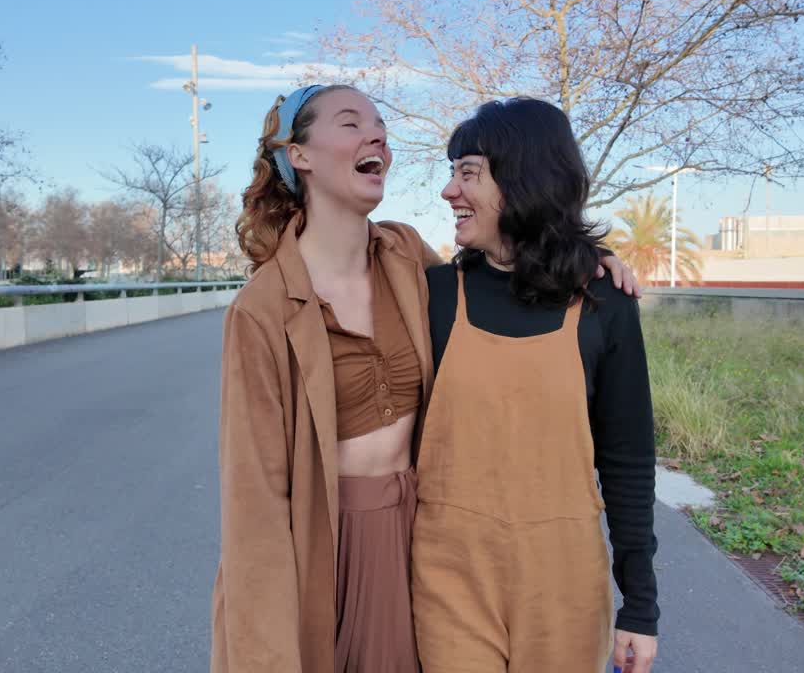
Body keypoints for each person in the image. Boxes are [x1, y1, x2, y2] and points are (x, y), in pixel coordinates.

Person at [210, 85, 639, 673]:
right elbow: (253, 497)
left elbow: (507, 284)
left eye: (381, 124)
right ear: (299, 155)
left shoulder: (408, 257)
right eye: (350, 121)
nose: (377, 134)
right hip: (331, 541)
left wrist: (586, 261)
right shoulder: (261, 310)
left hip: (426, 538)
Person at [414, 97, 660, 673]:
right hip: (448, 576)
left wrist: (640, 607)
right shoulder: (432, 294)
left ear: (524, 179)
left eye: (467, 173)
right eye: (452, 173)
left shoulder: (603, 303)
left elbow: (627, 461)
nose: (449, 191)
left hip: (566, 584)